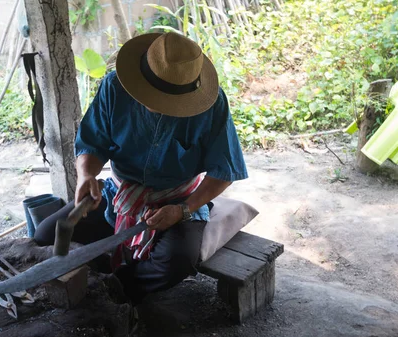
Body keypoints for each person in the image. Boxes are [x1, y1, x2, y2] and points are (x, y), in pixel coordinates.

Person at [34, 32, 248, 303]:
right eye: (155, 97)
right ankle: (99, 276)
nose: (162, 108)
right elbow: (92, 143)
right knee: (45, 235)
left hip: (179, 198)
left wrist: (182, 210)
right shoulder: (114, 87)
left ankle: (112, 289)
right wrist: (86, 175)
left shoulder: (211, 105)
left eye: (171, 102)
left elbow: (223, 171)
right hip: (118, 192)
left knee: (176, 262)